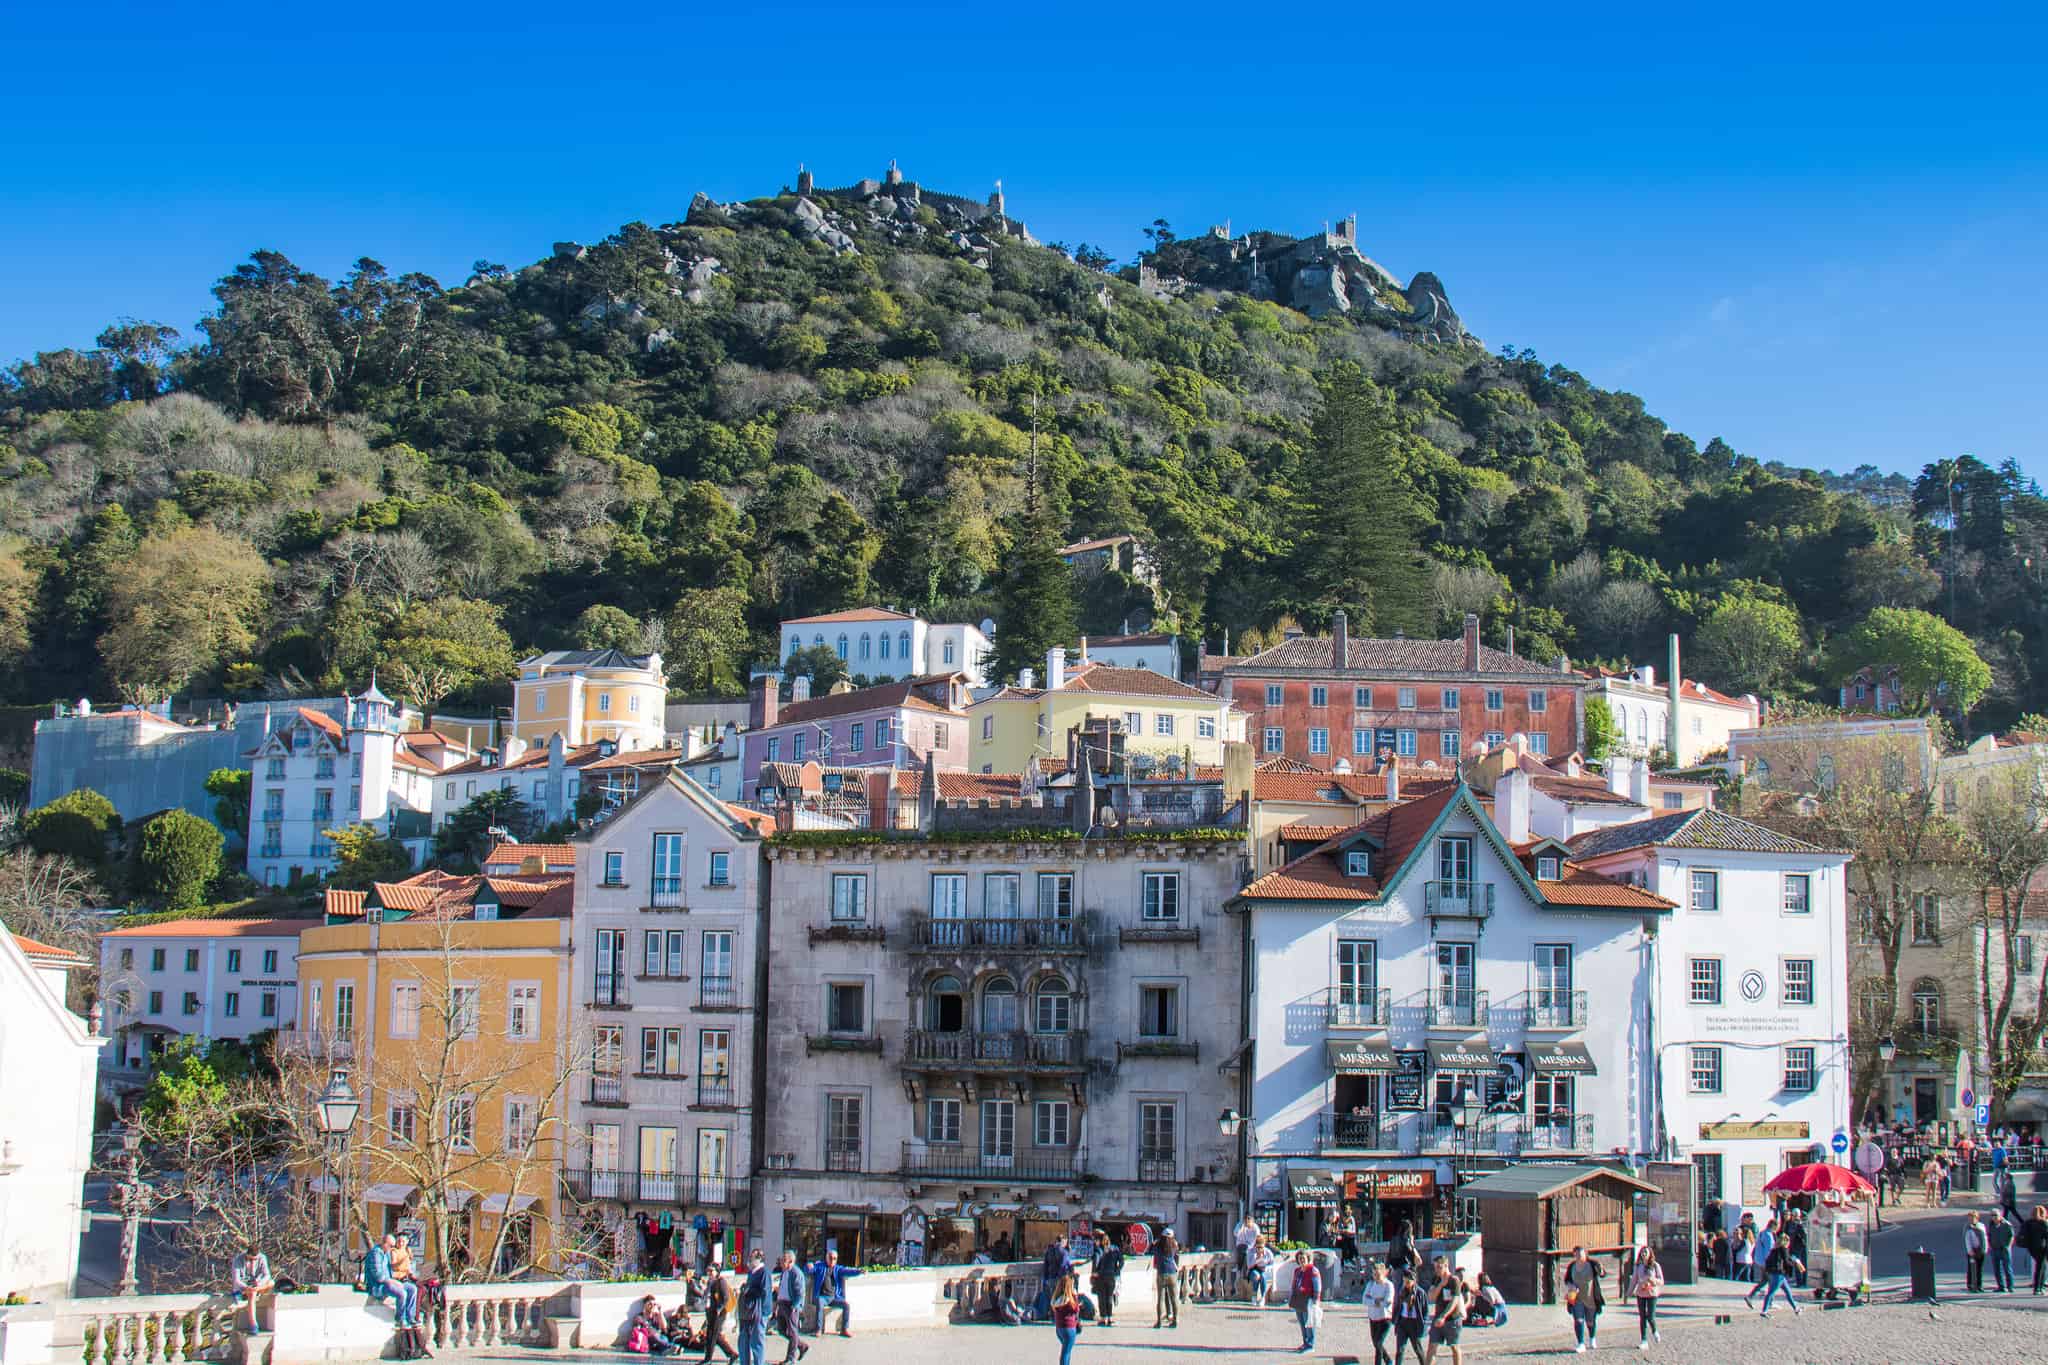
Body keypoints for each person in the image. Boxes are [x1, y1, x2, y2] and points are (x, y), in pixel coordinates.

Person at [364, 1235, 420, 1329]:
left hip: (388, 1282)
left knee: (412, 1289)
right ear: (384, 1243)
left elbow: (392, 1270)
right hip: (377, 1286)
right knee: (401, 1293)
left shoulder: (386, 1253)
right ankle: (400, 1319)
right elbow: (378, 1276)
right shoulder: (375, 1254)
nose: (392, 1248)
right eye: (391, 1246)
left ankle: (410, 1317)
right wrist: (393, 1282)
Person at [807, 1248, 858, 1338]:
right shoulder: (820, 1267)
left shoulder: (838, 1269)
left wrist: (859, 1271)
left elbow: (848, 1271)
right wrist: (808, 1266)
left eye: (834, 1258)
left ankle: (844, 1329)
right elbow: (810, 1270)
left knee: (846, 1305)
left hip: (834, 1297)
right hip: (822, 1296)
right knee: (819, 1302)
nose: (832, 1260)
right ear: (826, 1257)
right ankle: (818, 1329)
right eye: (830, 1258)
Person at [1423, 1258, 1464, 1365]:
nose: (1436, 1269)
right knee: (1432, 1346)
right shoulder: (1436, 1279)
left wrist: (1444, 1316)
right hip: (1438, 1318)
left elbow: (1455, 1300)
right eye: (1435, 1267)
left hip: (1452, 1319)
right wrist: (1440, 1284)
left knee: (1454, 1347)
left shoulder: (1454, 1280)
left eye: (1439, 1267)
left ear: (1446, 1266)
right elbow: (1431, 1297)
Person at [736, 1250, 772, 1365]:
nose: (749, 1260)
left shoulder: (764, 1272)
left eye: (751, 1258)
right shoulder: (752, 1272)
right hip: (747, 1311)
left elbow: (765, 1292)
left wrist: (765, 1313)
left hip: (758, 1311)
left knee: (757, 1342)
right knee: (743, 1340)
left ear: (758, 1259)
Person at [1564, 1246, 1602, 1353]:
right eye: (1576, 1254)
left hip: (1591, 1298)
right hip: (1577, 1298)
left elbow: (1602, 1274)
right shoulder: (1572, 1266)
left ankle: (1592, 1338)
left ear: (1585, 1254)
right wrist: (1571, 1286)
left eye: (1580, 1254)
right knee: (1578, 1320)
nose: (1578, 1256)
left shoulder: (1592, 1264)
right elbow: (1567, 1280)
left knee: (1590, 1322)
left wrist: (1601, 1270)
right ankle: (1580, 1343)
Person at [770, 1251, 807, 1363]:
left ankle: (790, 1358)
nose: (781, 1262)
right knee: (781, 1329)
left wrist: (795, 1306)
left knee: (792, 1331)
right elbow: (782, 1287)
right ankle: (801, 1346)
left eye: (784, 1260)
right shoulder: (784, 1272)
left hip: (790, 1305)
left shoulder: (796, 1273)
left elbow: (800, 1292)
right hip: (782, 1303)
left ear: (790, 1261)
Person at [699, 1263, 738, 1363]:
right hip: (710, 1310)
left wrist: (719, 1309)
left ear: (717, 1272)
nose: (709, 1273)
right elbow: (707, 1295)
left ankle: (708, 1359)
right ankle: (732, 1354)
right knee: (713, 1335)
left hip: (719, 1312)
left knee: (712, 1335)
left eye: (711, 1271)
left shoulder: (721, 1282)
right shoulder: (711, 1282)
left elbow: (726, 1298)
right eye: (708, 1271)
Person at [230, 1244, 273, 1332]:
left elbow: (267, 1275)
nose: (253, 1261)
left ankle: (255, 1290)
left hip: (257, 1285)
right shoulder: (238, 1260)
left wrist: (259, 1284)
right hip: (243, 1287)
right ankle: (253, 1323)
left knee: (272, 1282)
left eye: (255, 1259)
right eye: (250, 1259)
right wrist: (247, 1287)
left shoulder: (262, 1258)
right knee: (252, 1294)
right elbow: (237, 1280)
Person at [1287, 1249, 1322, 1354]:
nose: (1302, 1261)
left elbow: (1317, 1286)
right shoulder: (1297, 1271)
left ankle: (1310, 1344)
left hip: (1308, 1300)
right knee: (1302, 1323)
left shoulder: (1313, 1270)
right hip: (1298, 1299)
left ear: (1308, 1259)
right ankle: (1305, 1342)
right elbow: (1294, 1284)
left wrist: (1316, 1300)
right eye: (1300, 1259)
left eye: (1304, 1258)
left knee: (1309, 1323)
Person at [1627, 1245, 1663, 1349]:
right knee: (1642, 1317)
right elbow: (1634, 1280)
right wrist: (1629, 1292)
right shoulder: (1638, 1266)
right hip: (1641, 1293)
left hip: (1652, 1294)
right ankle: (1644, 1340)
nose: (1644, 1254)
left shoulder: (1656, 1266)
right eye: (1642, 1252)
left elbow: (1661, 1281)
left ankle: (1655, 1331)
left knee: (1650, 1316)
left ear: (1650, 1254)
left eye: (1646, 1252)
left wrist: (1654, 1281)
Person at [1391, 1270, 1428, 1365]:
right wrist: (1395, 1319)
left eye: (1408, 1282)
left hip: (1414, 1323)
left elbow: (1425, 1310)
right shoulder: (1402, 1291)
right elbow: (1398, 1305)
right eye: (1404, 1281)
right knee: (1400, 1349)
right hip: (1403, 1322)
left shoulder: (1420, 1293)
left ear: (1414, 1281)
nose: (1406, 1284)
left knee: (1417, 1349)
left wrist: (1423, 1324)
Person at [1361, 1261, 1395, 1365]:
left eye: (1378, 1274)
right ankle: (1388, 1360)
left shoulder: (1388, 1285)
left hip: (1385, 1318)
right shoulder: (1371, 1284)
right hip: (1373, 1317)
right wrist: (1375, 1301)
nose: (1376, 1277)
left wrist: (1374, 1300)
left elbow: (1387, 1302)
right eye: (1374, 1274)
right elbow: (1364, 1300)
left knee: (1379, 1342)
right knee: (1376, 1343)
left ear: (1384, 1273)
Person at [1089, 1229, 1123, 1327]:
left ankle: (1103, 1318)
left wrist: (1094, 1273)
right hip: (1111, 1276)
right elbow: (1121, 1261)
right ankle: (1109, 1317)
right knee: (1109, 1297)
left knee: (1102, 1298)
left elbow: (1096, 1261)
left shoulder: (1099, 1249)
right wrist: (1117, 1270)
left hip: (1101, 1276)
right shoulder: (1115, 1249)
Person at [1049, 1274, 1081, 1365]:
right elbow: (1076, 1309)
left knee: (1066, 1351)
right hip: (1069, 1328)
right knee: (1066, 1353)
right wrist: (1075, 1296)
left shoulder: (1056, 1299)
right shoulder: (1069, 1300)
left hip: (1059, 1328)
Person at [1152, 1230, 1180, 1328]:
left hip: (1161, 1273)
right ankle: (1175, 1320)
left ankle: (1159, 1322)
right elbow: (1177, 1254)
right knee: (1174, 1298)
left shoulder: (1158, 1246)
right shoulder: (1173, 1246)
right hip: (1172, 1272)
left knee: (1160, 1299)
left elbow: (1153, 1250)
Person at [1989, 1210, 2016, 1293]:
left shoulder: (2007, 1225)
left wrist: (2008, 1246)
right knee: (1996, 1269)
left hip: (2004, 1249)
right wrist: (1991, 1245)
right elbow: (1989, 1235)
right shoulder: (1991, 1225)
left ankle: (2010, 1286)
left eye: (1996, 1215)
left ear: (2000, 1216)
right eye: (1992, 1215)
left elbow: (2011, 1236)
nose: (1994, 1217)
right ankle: (2001, 1286)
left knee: (2007, 1268)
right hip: (1995, 1249)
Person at [1246, 1236, 1277, 1309]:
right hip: (1253, 1269)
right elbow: (1249, 1266)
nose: (1260, 1249)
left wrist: (1265, 1267)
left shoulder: (1268, 1252)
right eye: (1258, 1247)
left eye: (1261, 1247)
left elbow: (1272, 1263)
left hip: (1264, 1270)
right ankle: (1254, 1295)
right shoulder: (1251, 1252)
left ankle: (1262, 1298)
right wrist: (1256, 1259)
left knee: (1262, 1276)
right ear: (1255, 1246)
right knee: (1256, 1275)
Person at [2024, 1205, 2048, 1295]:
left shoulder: (2028, 1223)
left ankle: (2039, 1287)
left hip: (2032, 1248)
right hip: (2042, 1247)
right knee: (2041, 1268)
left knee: (2040, 1267)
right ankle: (2038, 1288)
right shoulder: (2044, 1223)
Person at [1964, 1210, 1988, 1293]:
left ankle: (1979, 1285)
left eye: (1973, 1218)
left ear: (1977, 1218)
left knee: (1979, 1269)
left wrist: (1985, 1249)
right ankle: (1971, 1284)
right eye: (1969, 1218)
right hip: (1972, 1250)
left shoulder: (1981, 1226)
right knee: (1971, 1268)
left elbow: (1984, 1238)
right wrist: (1970, 1250)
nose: (1971, 1220)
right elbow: (1967, 1239)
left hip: (1981, 1250)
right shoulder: (1968, 1227)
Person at [1233, 1215, 1260, 1286]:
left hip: (1252, 1246)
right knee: (1244, 1251)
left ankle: (1246, 1274)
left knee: (1249, 1256)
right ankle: (1239, 1267)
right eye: (1246, 1223)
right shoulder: (1240, 1225)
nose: (1248, 1225)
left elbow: (1258, 1238)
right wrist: (1242, 1227)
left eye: (1249, 1223)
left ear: (1252, 1222)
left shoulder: (1255, 1228)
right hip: (1241, 1244)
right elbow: (1236, 1234)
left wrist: (1254, 1247)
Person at [1784, 1211, 1808, 1288]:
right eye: (1794, 1215)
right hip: (1794, 1247)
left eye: (1797, 1216)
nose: (1795, 1217)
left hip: (1801, 1247)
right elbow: (1787, 1234)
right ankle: (1799, 1282)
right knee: (1797, 1264)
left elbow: (1805, 1235)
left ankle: (1803, 1281)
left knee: (1803, 1264)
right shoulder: (1789, 1224)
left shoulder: (1801, 1225)